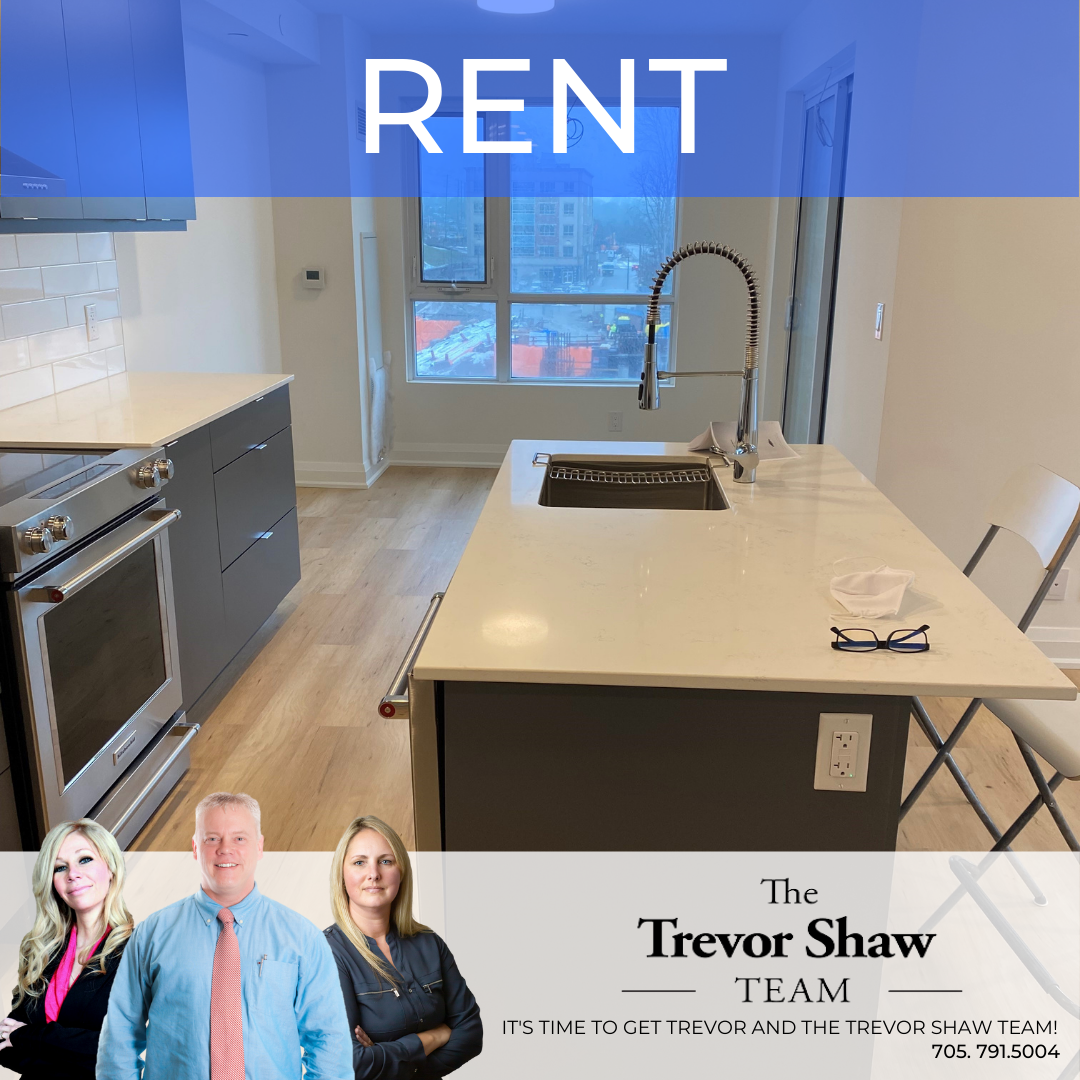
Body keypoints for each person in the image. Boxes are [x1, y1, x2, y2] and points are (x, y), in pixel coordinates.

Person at [97, 792, 351, 1080]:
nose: (225, 849)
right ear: (195, 847)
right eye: (212, 838)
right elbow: (119, 1037)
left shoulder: (303, 938)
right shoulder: (151, 935)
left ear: (259, 846)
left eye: (239, 838)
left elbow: (329, 1044)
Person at [325, 816, 482, 1079]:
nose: (373, 874)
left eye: (386, 861)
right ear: (341, 874)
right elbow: (351, 1064)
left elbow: (471, 1033)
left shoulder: (429, 943)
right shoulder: (326, 955)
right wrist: (434, 1036)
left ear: (401, 872)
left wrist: (388, 1063)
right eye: (359, 862)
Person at [0, 819, 134, 1080]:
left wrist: (28, 1036)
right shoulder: (40, 948)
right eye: (60, 867)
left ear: (111, 868)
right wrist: (72, 1052)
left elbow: (118, 1051)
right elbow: (5, 1044)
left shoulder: (140, 954)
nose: (73, 874)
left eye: (85, 860)